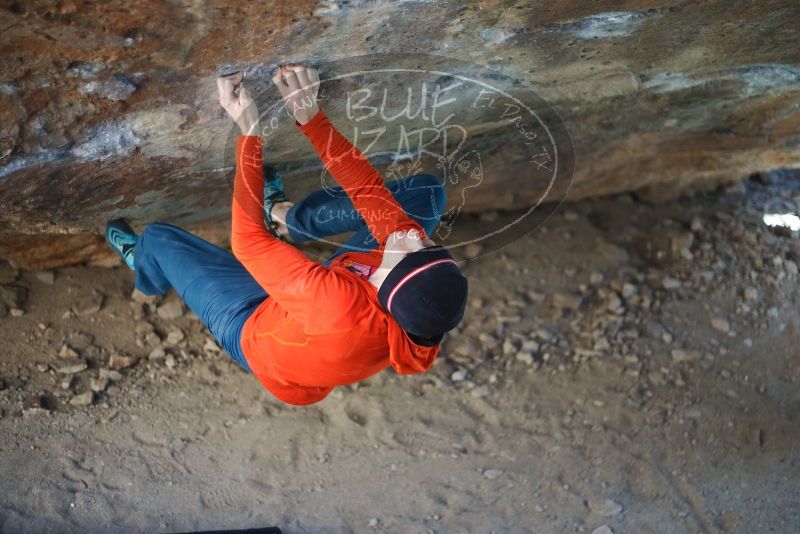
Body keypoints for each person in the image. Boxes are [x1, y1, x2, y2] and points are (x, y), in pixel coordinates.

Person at [104, 64, 468, 405]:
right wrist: (310, 118)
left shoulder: (338, 305)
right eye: (429, 244)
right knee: (425, 195)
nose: (410, 235)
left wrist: (249, 131)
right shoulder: (409, 290)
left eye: (409, 249)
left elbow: (247, 242)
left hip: (249, 322)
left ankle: (147, 276)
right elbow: (368, 190)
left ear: (385, 284)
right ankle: (289, 220)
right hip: (321, 303)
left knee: (157, 239)